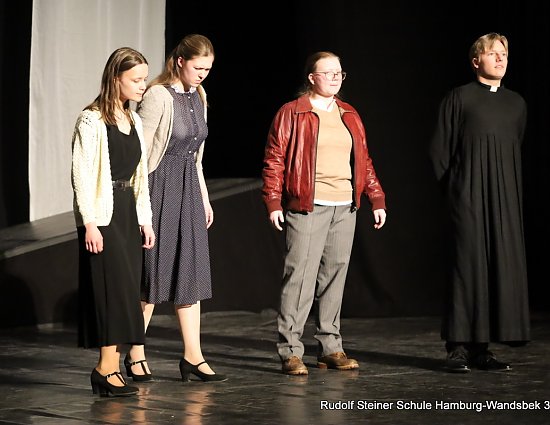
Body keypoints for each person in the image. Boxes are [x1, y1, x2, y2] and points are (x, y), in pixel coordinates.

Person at [262, 51, 387, 375]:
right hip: (308, 205)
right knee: (299, 278)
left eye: (339, 73)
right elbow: (275, 159)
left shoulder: (349, 113)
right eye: (328, 72)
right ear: (311, 77)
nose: (335, 78)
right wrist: (273, 202)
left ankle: (330, 347)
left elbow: (364, 160)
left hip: (344, 206)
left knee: (334, 277)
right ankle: (290, 350)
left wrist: (376, 197)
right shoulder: (293, 112)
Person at [127, 34, 226, 382]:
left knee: (190, 273)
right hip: (159, 188)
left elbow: (196, 157)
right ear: (180, 61)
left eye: (208, 70)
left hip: (188, 190)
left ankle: (193, 357)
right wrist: (140, 206)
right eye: (198, 68)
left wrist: (204, 198)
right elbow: (140, 154)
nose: (202, 75)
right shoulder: (157, 95)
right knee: (152, 274)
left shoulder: (198, 95)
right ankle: (135, 351)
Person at [429, 33, 530, 373]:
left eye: (504, 53)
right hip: (468, 197)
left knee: (495, 268)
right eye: (493, 53)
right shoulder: (459, 98)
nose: (501, 59)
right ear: (476, 61)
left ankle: (481, 349)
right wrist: (457, 193)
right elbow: (440, 151)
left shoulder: (516, 103)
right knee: (467, 269)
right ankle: (458, 348)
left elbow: (514, 146)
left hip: (505, 200)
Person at [71, 47, 155, 396]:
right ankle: (105, 369)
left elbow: (140, 177)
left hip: (127, 212)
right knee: (111, 291)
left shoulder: (133, 120)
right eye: (136, 79)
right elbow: (81, 175)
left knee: (126, 293)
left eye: (144, 79)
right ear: (115, 78)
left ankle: (108, 368)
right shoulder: (91, 120)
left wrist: (145, 220)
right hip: (103, 215)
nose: (142, 85)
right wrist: (89, 222)